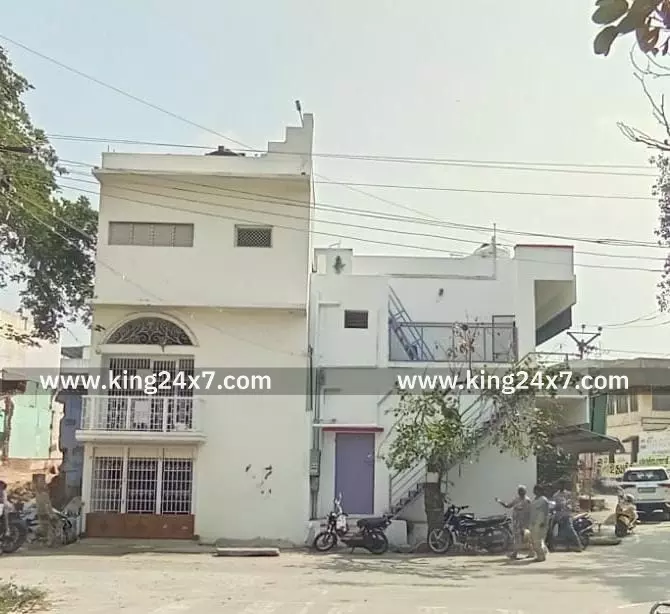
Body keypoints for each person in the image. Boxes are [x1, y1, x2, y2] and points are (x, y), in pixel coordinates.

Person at [495, 485, 531, 560]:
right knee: (518, 538)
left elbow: (530, 512)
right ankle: (520, 553)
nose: (520, 492)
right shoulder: (516, 499)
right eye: (519, 491)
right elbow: (508, 506)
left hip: (524, 522)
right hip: (517, 522)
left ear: (525, 492)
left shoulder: (527, 501)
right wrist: (500, 501)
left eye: (522, 491)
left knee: (525, 538)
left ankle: (517, 553)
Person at [552, 480, 583, 552]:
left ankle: (579, 545)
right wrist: (556, 507)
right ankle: (565, 546)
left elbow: (572, 503)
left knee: (570, 529)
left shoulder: (568, 494)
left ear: (564, 486)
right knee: (561, 531)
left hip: (567, 515)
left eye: (562, 485)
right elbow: (554, 505)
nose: (561, 486)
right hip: (559, 516)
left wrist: (568, 505)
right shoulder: (555, 495)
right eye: (559, 485)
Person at [528, 485, 550, 562]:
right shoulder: (534, 500)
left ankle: (541, 557)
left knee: (537, 540)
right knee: (534, 540)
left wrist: (543, 522)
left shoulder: (543, 500)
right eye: (534, 490)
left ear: (540, 491)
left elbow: (546, 512)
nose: (534, 491)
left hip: (540, 522)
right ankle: (543, 552)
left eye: (536, 490)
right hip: (533, 522)